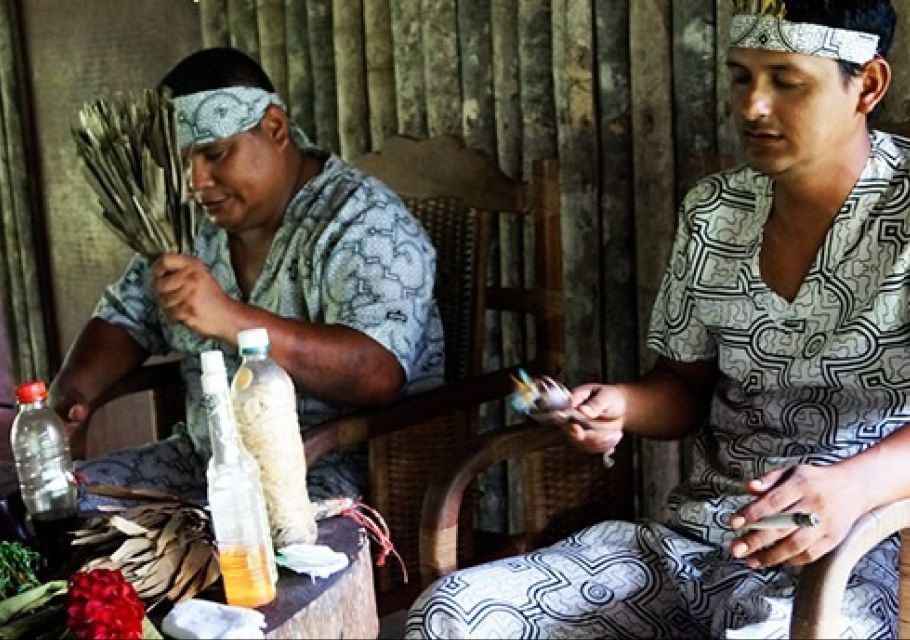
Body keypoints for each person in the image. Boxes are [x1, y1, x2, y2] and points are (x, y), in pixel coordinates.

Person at [406, 1, 907, 637]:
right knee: (454, 616)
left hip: (857, 555)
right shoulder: (715, 211)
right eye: (740, 76)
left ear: (867, 84)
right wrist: (621, 406)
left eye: (786, 81)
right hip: (698, 544)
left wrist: (852, 489)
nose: (753, 107)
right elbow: (683, 389)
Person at [49, 47, 444, 506]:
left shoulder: (364, 223)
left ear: (274, 128)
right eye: (183, 163)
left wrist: (232, 319)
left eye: (214, 153)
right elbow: (128, 317)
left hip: (335, 467)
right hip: (207, 462)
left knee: (234, 555)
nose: (196, 181)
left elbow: (379, 373)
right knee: (68, 510)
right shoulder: (190, 227)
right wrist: (71, 397)